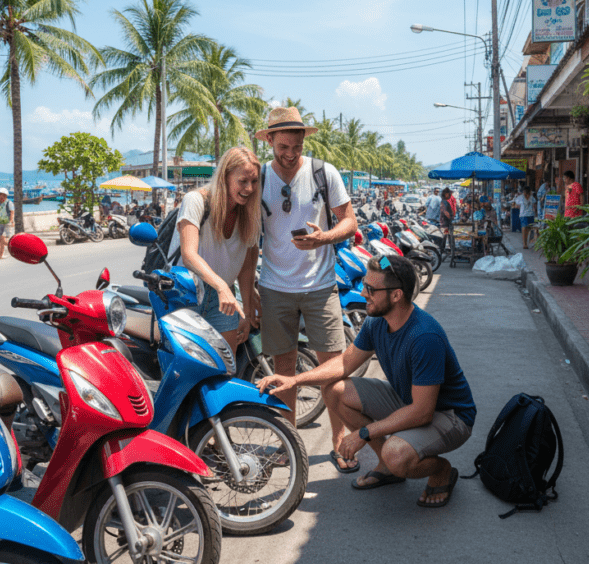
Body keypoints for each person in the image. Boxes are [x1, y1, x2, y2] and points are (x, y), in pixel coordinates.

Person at [257, 255, 475, 508]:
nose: (363, 293)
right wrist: (295, 380)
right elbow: (343, 363)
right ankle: (387, 467)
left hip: (449, 415)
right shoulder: (376, 322)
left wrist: (364, 433)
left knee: (396, 454)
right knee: (335, 389)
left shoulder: (424, 336)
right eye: (364, 286)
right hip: (409, 400)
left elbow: (423, 412)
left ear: (396, 296)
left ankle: (441, 471)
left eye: (371, 289)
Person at [256, 106, 359, 473]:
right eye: (283, 145)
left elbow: (350, 220)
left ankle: (338, 442)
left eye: (296, 146)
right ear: (269, 140)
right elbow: (248, 234)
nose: (290, 153)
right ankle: (290, 444)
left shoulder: (323, 172)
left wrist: (323, 239)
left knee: (332, 367)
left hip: (320, 285)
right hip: (274, 287)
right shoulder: (258, 177)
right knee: (284, 369)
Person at [172, 147, 262, 352]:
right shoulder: (196, 200)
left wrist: (247, 312)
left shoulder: (249, 213)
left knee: (226, 367)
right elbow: (189, 255)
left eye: (254, 181)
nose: (249, 188)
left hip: (224, 299)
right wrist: (221, 286)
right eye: (243, 181)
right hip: (187, 293)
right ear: (225, 177)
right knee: (190, 369)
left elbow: (247, 267)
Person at [0, 188, 14, 257]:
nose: (0, 197)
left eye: (1, 195)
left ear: (5, 195)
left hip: (7, 223)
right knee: (0, 239)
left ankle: (14, 247)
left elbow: (12, 212)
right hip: (0, 222)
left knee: (3, 239)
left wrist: (11, 221)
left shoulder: (9, 203)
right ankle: (1, 254)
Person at [439, 187, 457, 257]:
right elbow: (445, 212)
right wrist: (450, 218)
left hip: (446, 223)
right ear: (446, 194)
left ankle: (450, 252)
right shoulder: (444, 202)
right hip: (445, 223)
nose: (450, 195)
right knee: (445, 238)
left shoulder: (445, 202)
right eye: (449, 194)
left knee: (448, 237)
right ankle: (441, 252)